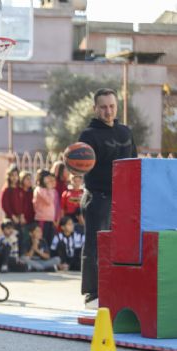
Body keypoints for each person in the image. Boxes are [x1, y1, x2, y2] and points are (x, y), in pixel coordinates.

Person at [79, 88, 136, 307]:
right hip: (98, 197)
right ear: (95, 109)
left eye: (111, 106)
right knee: (95, 246)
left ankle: (118, 288)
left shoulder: (125, 132)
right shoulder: (88, 136)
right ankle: (92, 294)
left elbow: (133, 162)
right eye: (103, 107)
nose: (108, 111)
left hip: (123, 199)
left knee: (122, 245)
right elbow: (79, 164)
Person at [33, 169, 57, 247]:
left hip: (50, 219)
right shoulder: (39, 190)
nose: (50, 180)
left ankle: (48, 255)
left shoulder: (49, 189)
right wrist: (50, 189)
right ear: (42, 178)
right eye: (47, 177)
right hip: (42, 219)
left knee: (50, 239)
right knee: (42, 239)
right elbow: (49, 201)